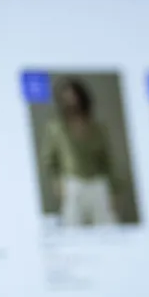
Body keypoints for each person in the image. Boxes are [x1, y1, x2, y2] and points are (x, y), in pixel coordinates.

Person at [40, 78, 122, 227]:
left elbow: (106, 160)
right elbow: (49, 160)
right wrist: (57, 182)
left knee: (107, 229)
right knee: (72, 228)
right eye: (66, 98)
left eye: (73, 96)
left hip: (97, 183)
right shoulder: (56, 128)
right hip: (72, 182)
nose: (71, 102)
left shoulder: (97, 128)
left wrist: (113, 189)